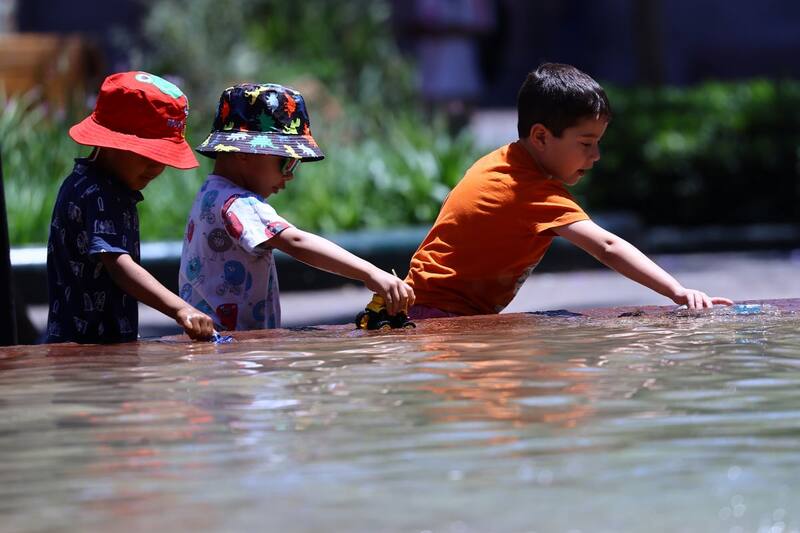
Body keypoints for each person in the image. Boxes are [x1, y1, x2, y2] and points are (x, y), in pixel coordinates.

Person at [405, 62, 733, 319]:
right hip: (437, 320)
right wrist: (677, 291)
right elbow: (606, 246)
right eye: (586, 143)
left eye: (598, 143)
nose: (596, 155)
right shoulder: (528, 189)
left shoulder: (502, 163)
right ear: (542, 137)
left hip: (415, 310)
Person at [179, 83, 414, 331]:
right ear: (244, 152)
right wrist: (370, 273)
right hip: (236, 353)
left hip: (214, 349)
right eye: (286, 162)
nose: (290, 175)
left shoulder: (209, 193)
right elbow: (296, 242)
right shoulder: (239, 203)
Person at [45, 71, 215, 343]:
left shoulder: (91, 183)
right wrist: (180, 308)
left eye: (163, 157)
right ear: (110, 141)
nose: (157, 167)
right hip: (87, 348)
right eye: (148, 155)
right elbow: (118, 265)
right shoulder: (98, 193)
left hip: (90, 341)